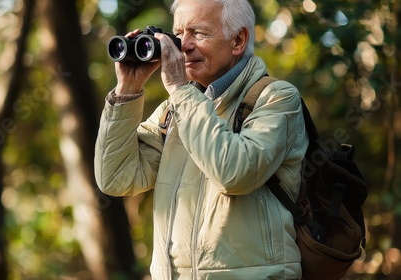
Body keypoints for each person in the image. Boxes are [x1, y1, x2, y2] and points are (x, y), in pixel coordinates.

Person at [94, 0, 308, 279]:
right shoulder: (173, 111)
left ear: (238, 39)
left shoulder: (276, 98)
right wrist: (127, 89)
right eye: (179, 33)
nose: (184, 45)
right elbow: (117, 178)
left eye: (198, 33)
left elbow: (234, 173)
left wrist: (181, 91)